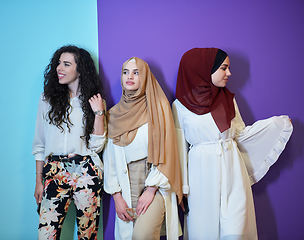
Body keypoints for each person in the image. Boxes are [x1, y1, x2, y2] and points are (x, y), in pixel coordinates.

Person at [172, 47, 293, 239]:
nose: (229, 73)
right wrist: (183, 188)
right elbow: (179, 149)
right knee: (204, 231)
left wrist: (275, 125)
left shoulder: (227, 99)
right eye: (223, 68)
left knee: (236, 231)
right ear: (203, 69)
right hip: (201, 175)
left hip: (232, 171)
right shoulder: (180, 106)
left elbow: (240, 134)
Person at [103, 57, 183, 240]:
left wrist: (150, 190)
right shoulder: (113, 114)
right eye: (125, 72)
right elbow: (110, 160)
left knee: (142, 235)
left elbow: (168, 151)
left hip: (155, 182)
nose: (129, 76)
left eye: (136, 72)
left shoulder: (158, 108)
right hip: (126, 186)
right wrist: (117, 198)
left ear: (145, 76)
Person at [32, 45, 106, 240]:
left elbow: (97, 146)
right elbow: (39, 143)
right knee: (46, 235)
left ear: (79, 68)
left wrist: (99, 112)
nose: (59, 68)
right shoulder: (46, 99)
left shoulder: (94, 101)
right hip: (54, 170)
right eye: (58, 63)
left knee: (87, 235)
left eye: (66, 64)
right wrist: (39, 181)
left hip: (86, 170)